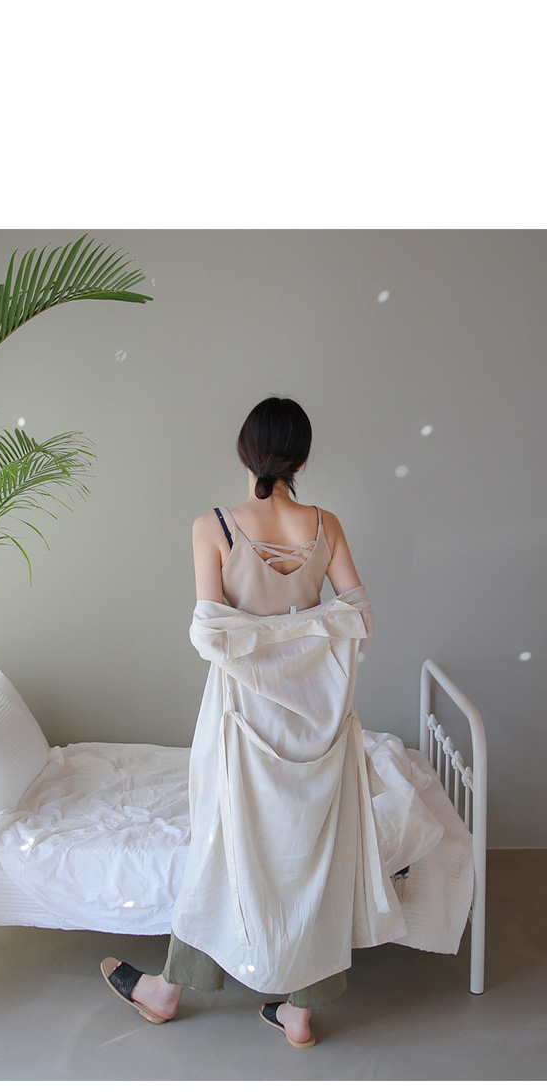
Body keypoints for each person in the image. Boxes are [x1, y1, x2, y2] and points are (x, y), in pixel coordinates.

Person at [101, 395, 403, 1047]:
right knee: (313, 856)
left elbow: (212, 634)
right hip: (317, 721)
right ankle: (298, 1012)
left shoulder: (212, 526)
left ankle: (167, 990)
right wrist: (301, 627)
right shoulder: (326, 525)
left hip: (241, 719)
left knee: (223, 848)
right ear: (302, 459)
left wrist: (261, 633)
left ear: (245, 452)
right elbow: (359, 617)